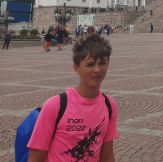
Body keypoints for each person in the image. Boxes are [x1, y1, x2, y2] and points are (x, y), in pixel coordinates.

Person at [27, 33, 118, 162]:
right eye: (90, 64)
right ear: (76, 67)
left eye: (102, 63)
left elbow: (107, 155)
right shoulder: (55, 105)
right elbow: (35, 158)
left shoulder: (109, 105)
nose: (97, 70)